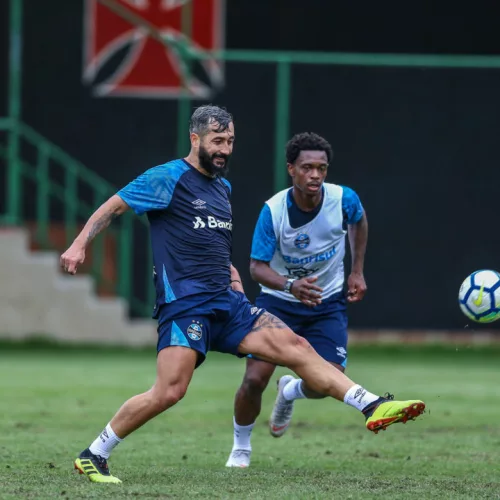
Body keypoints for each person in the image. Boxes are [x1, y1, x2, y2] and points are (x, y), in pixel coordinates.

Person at [60, 106, 425, 484]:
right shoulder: (167, 177)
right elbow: (114, 205)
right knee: (170, 391)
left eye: (231, 141)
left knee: (296, 346)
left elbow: (215, 245)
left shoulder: (222, 187)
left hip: (227, 302)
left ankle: (373, 405)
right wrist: (79, 244)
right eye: (218, 141)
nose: (225, 149)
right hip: (186, 306)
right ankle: (94, 454)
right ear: (195, 138)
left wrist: (233, 278)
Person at [226, 132, 369, 468]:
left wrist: (357, 270)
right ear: (291, 169)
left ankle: (290, 391)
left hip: (326, 302)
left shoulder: (343, 199)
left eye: (321, 168)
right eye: (307, 168)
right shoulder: (273, 211)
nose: (315, 175)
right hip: (277, 303)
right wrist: (292, 286)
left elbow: (359, 221)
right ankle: (241, 448)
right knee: (254, 379)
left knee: (328, 379)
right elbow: (256, 268)